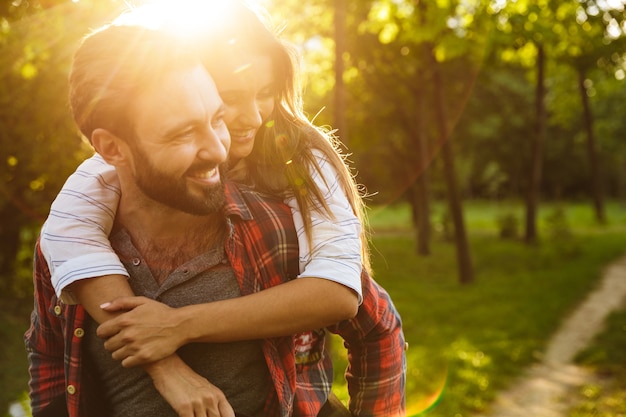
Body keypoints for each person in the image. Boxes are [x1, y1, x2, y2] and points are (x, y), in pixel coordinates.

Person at [25, 4, 406, 417]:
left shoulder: (288, 197)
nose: (251, 120)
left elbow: (354, 304)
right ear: (113, 147)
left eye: (217, 117)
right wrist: (164, 366)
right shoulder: (75, 227)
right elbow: (47, 349)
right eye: (185, 130)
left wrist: (178, 326)